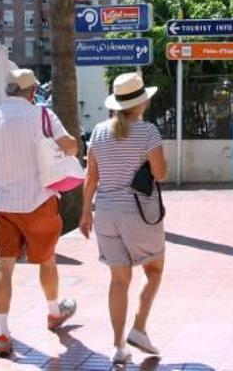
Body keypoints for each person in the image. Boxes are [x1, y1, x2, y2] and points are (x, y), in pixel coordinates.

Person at [0, 66, 80, 357]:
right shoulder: (42, 115)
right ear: (33, 91)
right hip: (39, 200)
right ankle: (53, 313)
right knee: (47, 260)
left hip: (2, 204)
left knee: (4, 266)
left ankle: (1, 332)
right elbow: (72, 148)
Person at [79, 72, 168, 366]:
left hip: (104, 211)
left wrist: (83, 214)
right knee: (153, 270)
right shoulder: (148, 132)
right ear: (141, 102)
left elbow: (90, 178)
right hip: (137, 211)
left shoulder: (99, 132)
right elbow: (161, 174)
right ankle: (139, 328)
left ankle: (118, 347)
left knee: (119, 279)